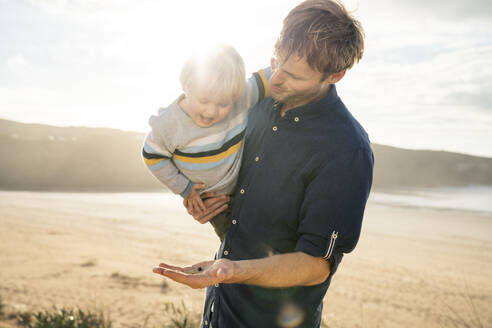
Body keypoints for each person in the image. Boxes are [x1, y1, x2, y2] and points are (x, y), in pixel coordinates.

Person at [153, 1, 374, 327]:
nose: (277, 78)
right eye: (276, 61)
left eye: (294, 75)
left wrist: (231, 271)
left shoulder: (345, 150)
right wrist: (202, 202)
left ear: (335, 75)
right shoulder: (254, 102)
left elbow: (316, 265)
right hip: (219, 309)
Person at [142, 44, 270, 241]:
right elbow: (153, 156)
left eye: (223, 104)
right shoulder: (168, 123)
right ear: (187, 87)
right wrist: (184, 188)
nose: (211, 112)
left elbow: (269, 77)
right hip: (215, 203)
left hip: (248, 187)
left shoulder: (240, 96)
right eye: (204, 101)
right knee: (238, 247)